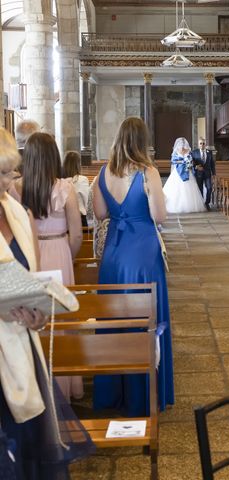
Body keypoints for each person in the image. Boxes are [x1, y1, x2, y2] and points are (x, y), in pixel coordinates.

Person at [0, 128, 93, 479]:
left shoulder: (18, 213)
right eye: (3, 174)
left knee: (29, 453)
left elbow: (29, 277)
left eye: (12, 172)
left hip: (23, 350)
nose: (11, 183)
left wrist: (36, 315)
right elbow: (72, 237)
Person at [92, 117, 174, 417]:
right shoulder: (148, 172)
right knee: (145, 321)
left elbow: (100, 213)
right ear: (142, 141)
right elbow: (160, 216)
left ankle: (113, 394)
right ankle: (143, 397)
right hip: (142, 252)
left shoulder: (104, 171)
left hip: (114, 252)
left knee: (115, 321)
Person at [20, 133, 84, 402]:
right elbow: (77, 234)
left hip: (29, 254)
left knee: (33, 324)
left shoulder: (17, 187)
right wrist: (65, 255)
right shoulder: (65, 188)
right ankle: (65, 387)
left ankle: (37, 389)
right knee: (61, 323)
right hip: (59, 250)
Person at [163, 137, 207, 214]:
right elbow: (173, 160)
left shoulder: (188, 151)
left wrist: (188, 162)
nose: (182, 145)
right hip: (178, 172)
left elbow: (191, 160)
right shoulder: (176, 151)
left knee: (189, 189)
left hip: (187, 171)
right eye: (181, 143)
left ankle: (190, 205)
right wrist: (183, 161)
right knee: (176, 189)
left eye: (183, 143)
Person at [63, 151, 90, 227]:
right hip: (79, 218)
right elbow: (86, 200)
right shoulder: (82, 180)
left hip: (63, 219)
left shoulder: (59, 180)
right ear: (78, 164)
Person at [191, 137, 215, 211]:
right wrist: (196, 167)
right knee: (200, 189)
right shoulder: (194, 152)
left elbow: (212, 164)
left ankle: (207, 203)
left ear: (205, 144)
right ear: (198, 144)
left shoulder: (209, 152)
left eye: (203, 143)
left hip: (207, 173)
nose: (202, 145)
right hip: (198, 173)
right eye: (200, 143)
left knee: (209, 188)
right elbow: (192, 162)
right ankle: (201, 203)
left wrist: (214, 174)